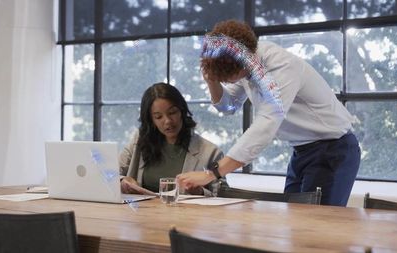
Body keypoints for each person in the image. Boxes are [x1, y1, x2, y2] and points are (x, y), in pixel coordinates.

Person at [176, 20, 360, 206]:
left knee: (317, 226)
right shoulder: (246, 62)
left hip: (333, 148)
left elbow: (265, 124)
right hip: (302, 150)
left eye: (227, 77)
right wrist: (212, 82)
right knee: (295, 220)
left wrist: (211, 173)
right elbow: (229, 107)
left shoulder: (280, 66)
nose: (227, 81)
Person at [119, 82, 223, 196]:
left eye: (172, 112)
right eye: (158, 117)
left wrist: (200, 191)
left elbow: (222, 195)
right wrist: (122, 181)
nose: (167, 121)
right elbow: (111, 174)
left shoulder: (211, 152)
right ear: (151, 120)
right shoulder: (139, 140)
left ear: (182, 111)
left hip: (186, 213)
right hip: (141, 212)